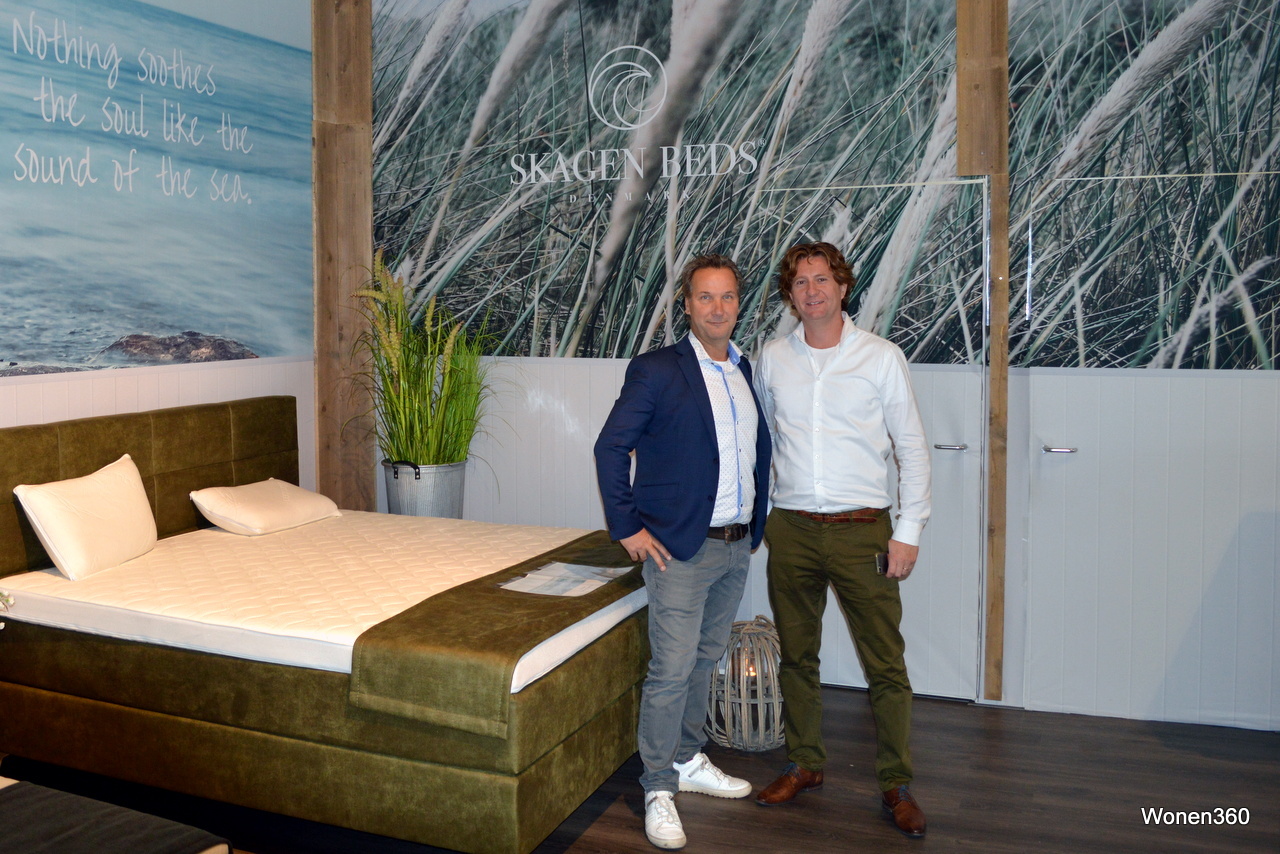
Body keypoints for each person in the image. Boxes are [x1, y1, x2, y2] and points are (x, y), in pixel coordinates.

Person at [752, 241, 931, 838]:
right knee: (797, 657)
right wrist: (763, 515)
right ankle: (805, 763)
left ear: (843, 287)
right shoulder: (773, 359)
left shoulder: (880, 357)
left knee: (885, 664)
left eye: (822, 279)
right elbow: (762, 442)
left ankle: (896, 783)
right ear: (790, 294)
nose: (812, 291)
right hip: (793, 531)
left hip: (864, 532)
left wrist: (908, 531)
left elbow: (912, 448)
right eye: (801, 282)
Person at [595, 253, 771, 851]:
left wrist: (755, 525)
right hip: (679, 550)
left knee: (704, 660)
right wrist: (628, 528)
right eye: (705, 297)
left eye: (727, 296)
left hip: (735, 544)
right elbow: (610, 448)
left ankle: (689, 758)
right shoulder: (657, 370)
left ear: (738, 304)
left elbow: (750, 455)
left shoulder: (744, 370)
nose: (717, 308)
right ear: (687, 305)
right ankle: (657, 786)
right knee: (670, 671)